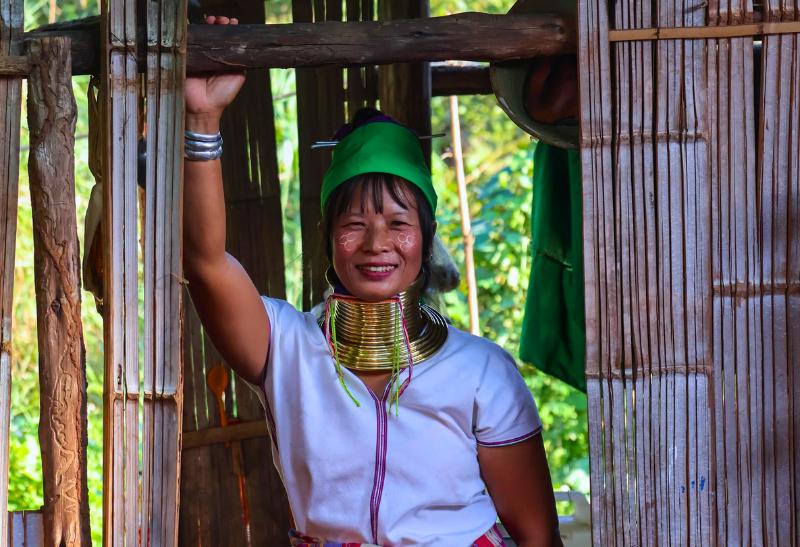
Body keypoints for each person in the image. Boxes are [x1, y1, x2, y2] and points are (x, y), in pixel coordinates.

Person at [183, 15, 562, 547]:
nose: (376, 243)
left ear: (426, 239)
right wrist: (203, 117)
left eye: (398, 224)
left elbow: (537, 536)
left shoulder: (481, 372)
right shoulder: (284, 347)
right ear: (328, 237)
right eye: (355, 223)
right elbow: (205, 261)